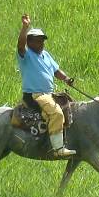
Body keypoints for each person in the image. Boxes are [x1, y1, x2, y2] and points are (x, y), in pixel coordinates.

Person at [17, 13, 76, 159]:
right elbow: (20, 44)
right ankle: (58, 149)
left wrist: (66, 78)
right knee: (56, 113)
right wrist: (25, 28)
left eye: (42, 40)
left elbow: (56, 70)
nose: (41, 43)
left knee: (70, 107)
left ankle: (59, 137)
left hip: (49, 94)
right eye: (37, 41)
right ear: (29, 42)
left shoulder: (46, 54)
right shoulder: (26, 54)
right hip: (35, 95)